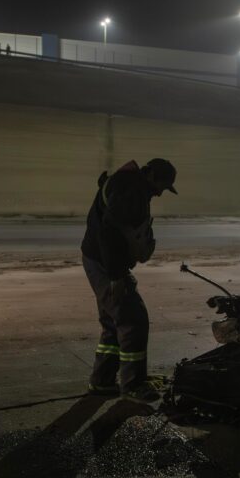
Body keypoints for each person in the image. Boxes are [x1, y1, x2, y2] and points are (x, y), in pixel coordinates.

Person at [80, 158, 177, 400]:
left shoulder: (129, 185)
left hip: (99, 260)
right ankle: (133, 385)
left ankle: (102, 381)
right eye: (162, 186)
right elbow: (109, 232)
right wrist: (116, 276)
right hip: (104, 265)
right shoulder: (130, 190)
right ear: (151, 175)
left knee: (114, 323)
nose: (160, 193)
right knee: (134, 320)